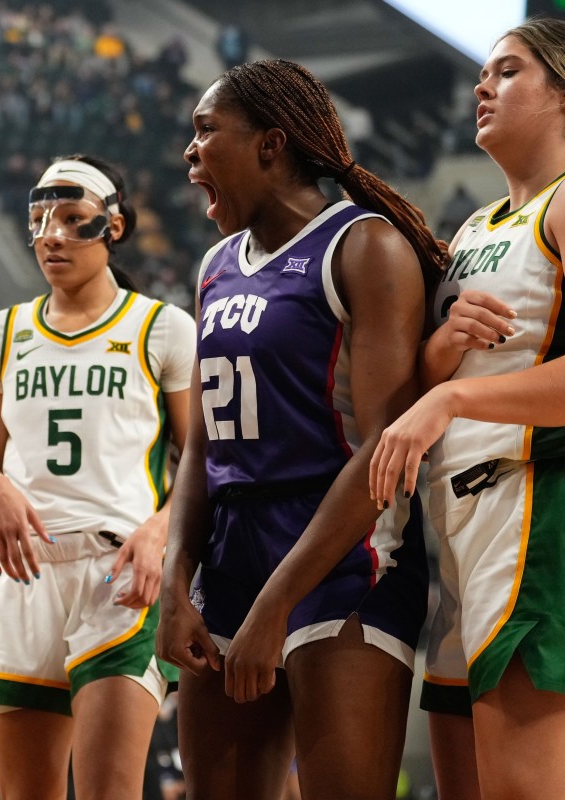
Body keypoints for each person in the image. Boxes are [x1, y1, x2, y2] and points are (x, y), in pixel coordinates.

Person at [155, 59, 448, 799]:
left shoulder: (365, 245)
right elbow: (203, 451)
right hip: (229, 554)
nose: (189, 153)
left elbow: (384, 445)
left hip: (343, 555)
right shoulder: (216, 264)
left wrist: (276, 606)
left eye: (205, 131)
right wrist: (174, 578)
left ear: (270, 143)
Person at [369, 18, 565, 800]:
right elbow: (422, 387)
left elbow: (446, 402)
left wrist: (452, 392)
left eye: (509, 71)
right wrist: (440, 354)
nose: (482, 86)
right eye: (484, 72)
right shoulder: (473, 228)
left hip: (534, 513)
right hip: (454, 530)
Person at [0, 154, 194, 800]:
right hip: (21, 576)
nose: (52, 235)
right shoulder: (1, 334)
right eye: (40, 219)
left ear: (113, 226)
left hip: (118, 576)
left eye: (73, 220)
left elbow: (204, 462)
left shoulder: (162, 328)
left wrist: (159, 531)